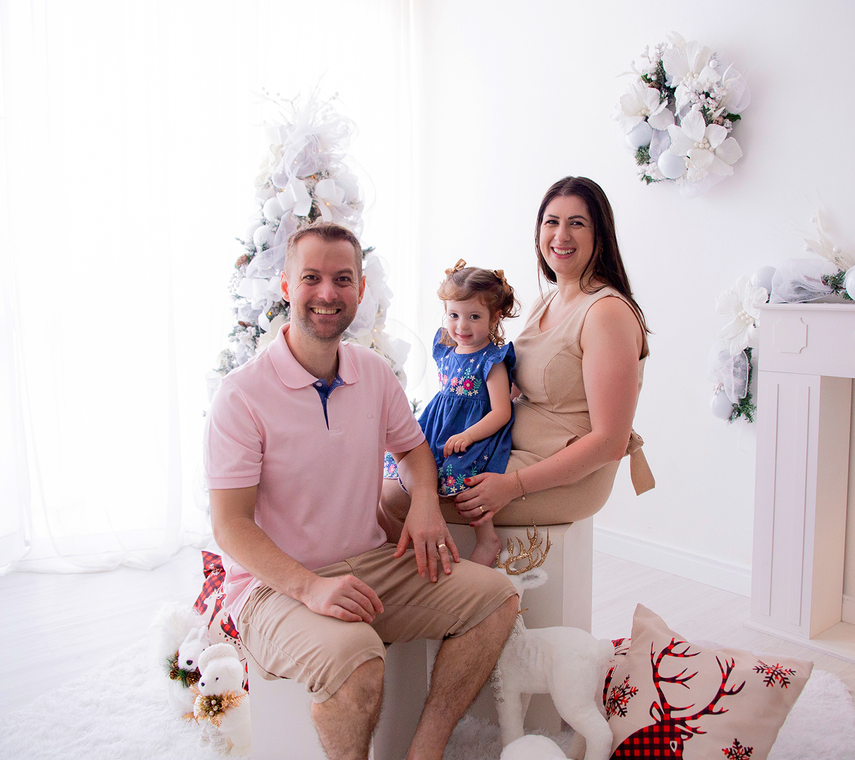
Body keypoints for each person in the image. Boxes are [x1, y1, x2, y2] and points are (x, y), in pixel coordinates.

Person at [205, 223, 518, 760]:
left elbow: (416, 451)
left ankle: (426, 750)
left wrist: (423, 504)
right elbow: (229, 524)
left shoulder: (373, 373)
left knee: (497, 598)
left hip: (367, 561)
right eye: (312, 278)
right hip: (274, 587)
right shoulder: (241, 396)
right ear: (285, 285)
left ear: (360, 290)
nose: (328, 293)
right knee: (358, 659)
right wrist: (309, 588)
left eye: (342, 279)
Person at [443, 176, 655, 527]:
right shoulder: (546, 301)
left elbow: (611, 442)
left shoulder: (606, 313)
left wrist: (512, 485)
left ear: (599, 236)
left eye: (577, 223)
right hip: (509, 450)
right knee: (403, 473)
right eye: (551, 222)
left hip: (559, 476)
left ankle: (474, 584)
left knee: (402, 498)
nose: (561, 235)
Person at [382, 260, 520, 567]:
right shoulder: (446, 348)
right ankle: (403, 532)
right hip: (440, 424)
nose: (462, 326)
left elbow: (501, 411)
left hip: (474, 430)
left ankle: (487, 539)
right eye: (454, 315)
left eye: (474, 316)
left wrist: (468, 435)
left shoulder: (492, 360)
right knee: (409, 462)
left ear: (495, 317)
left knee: (459, 474)